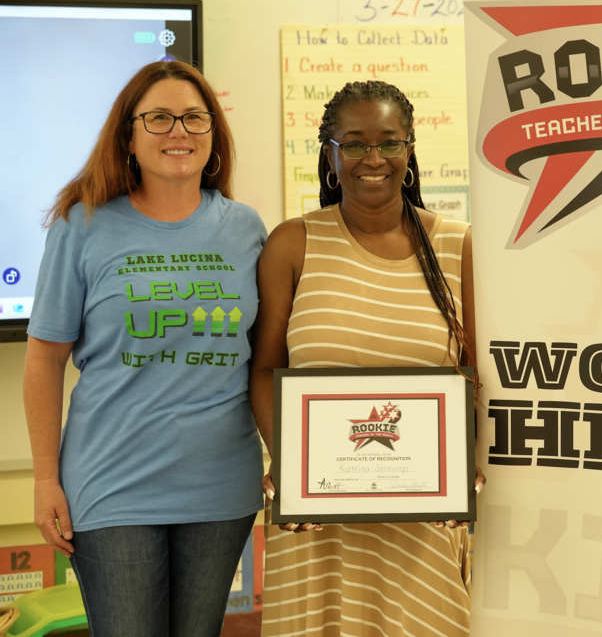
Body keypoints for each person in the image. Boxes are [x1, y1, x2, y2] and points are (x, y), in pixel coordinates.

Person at [23, 61, 266, 636]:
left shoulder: (247, 230)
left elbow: (265, 359)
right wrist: (43, 479)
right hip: (112, 482)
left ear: (214, 134)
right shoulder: (81, 225)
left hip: (220, 484)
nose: (178, 131)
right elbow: (43, 359)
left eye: (193, 118)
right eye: (158, 118)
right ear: (128, 136)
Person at [251, 80, 481, 636]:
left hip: (423, 529)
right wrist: (289, 463)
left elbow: (477, 377)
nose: (372, 159)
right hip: (314, 530)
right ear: (330, 154)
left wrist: (468, 465)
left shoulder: (458, 245)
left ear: (410, 149)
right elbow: (263, 370)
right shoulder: (293, 244)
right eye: (353, 144)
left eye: (389, 142)